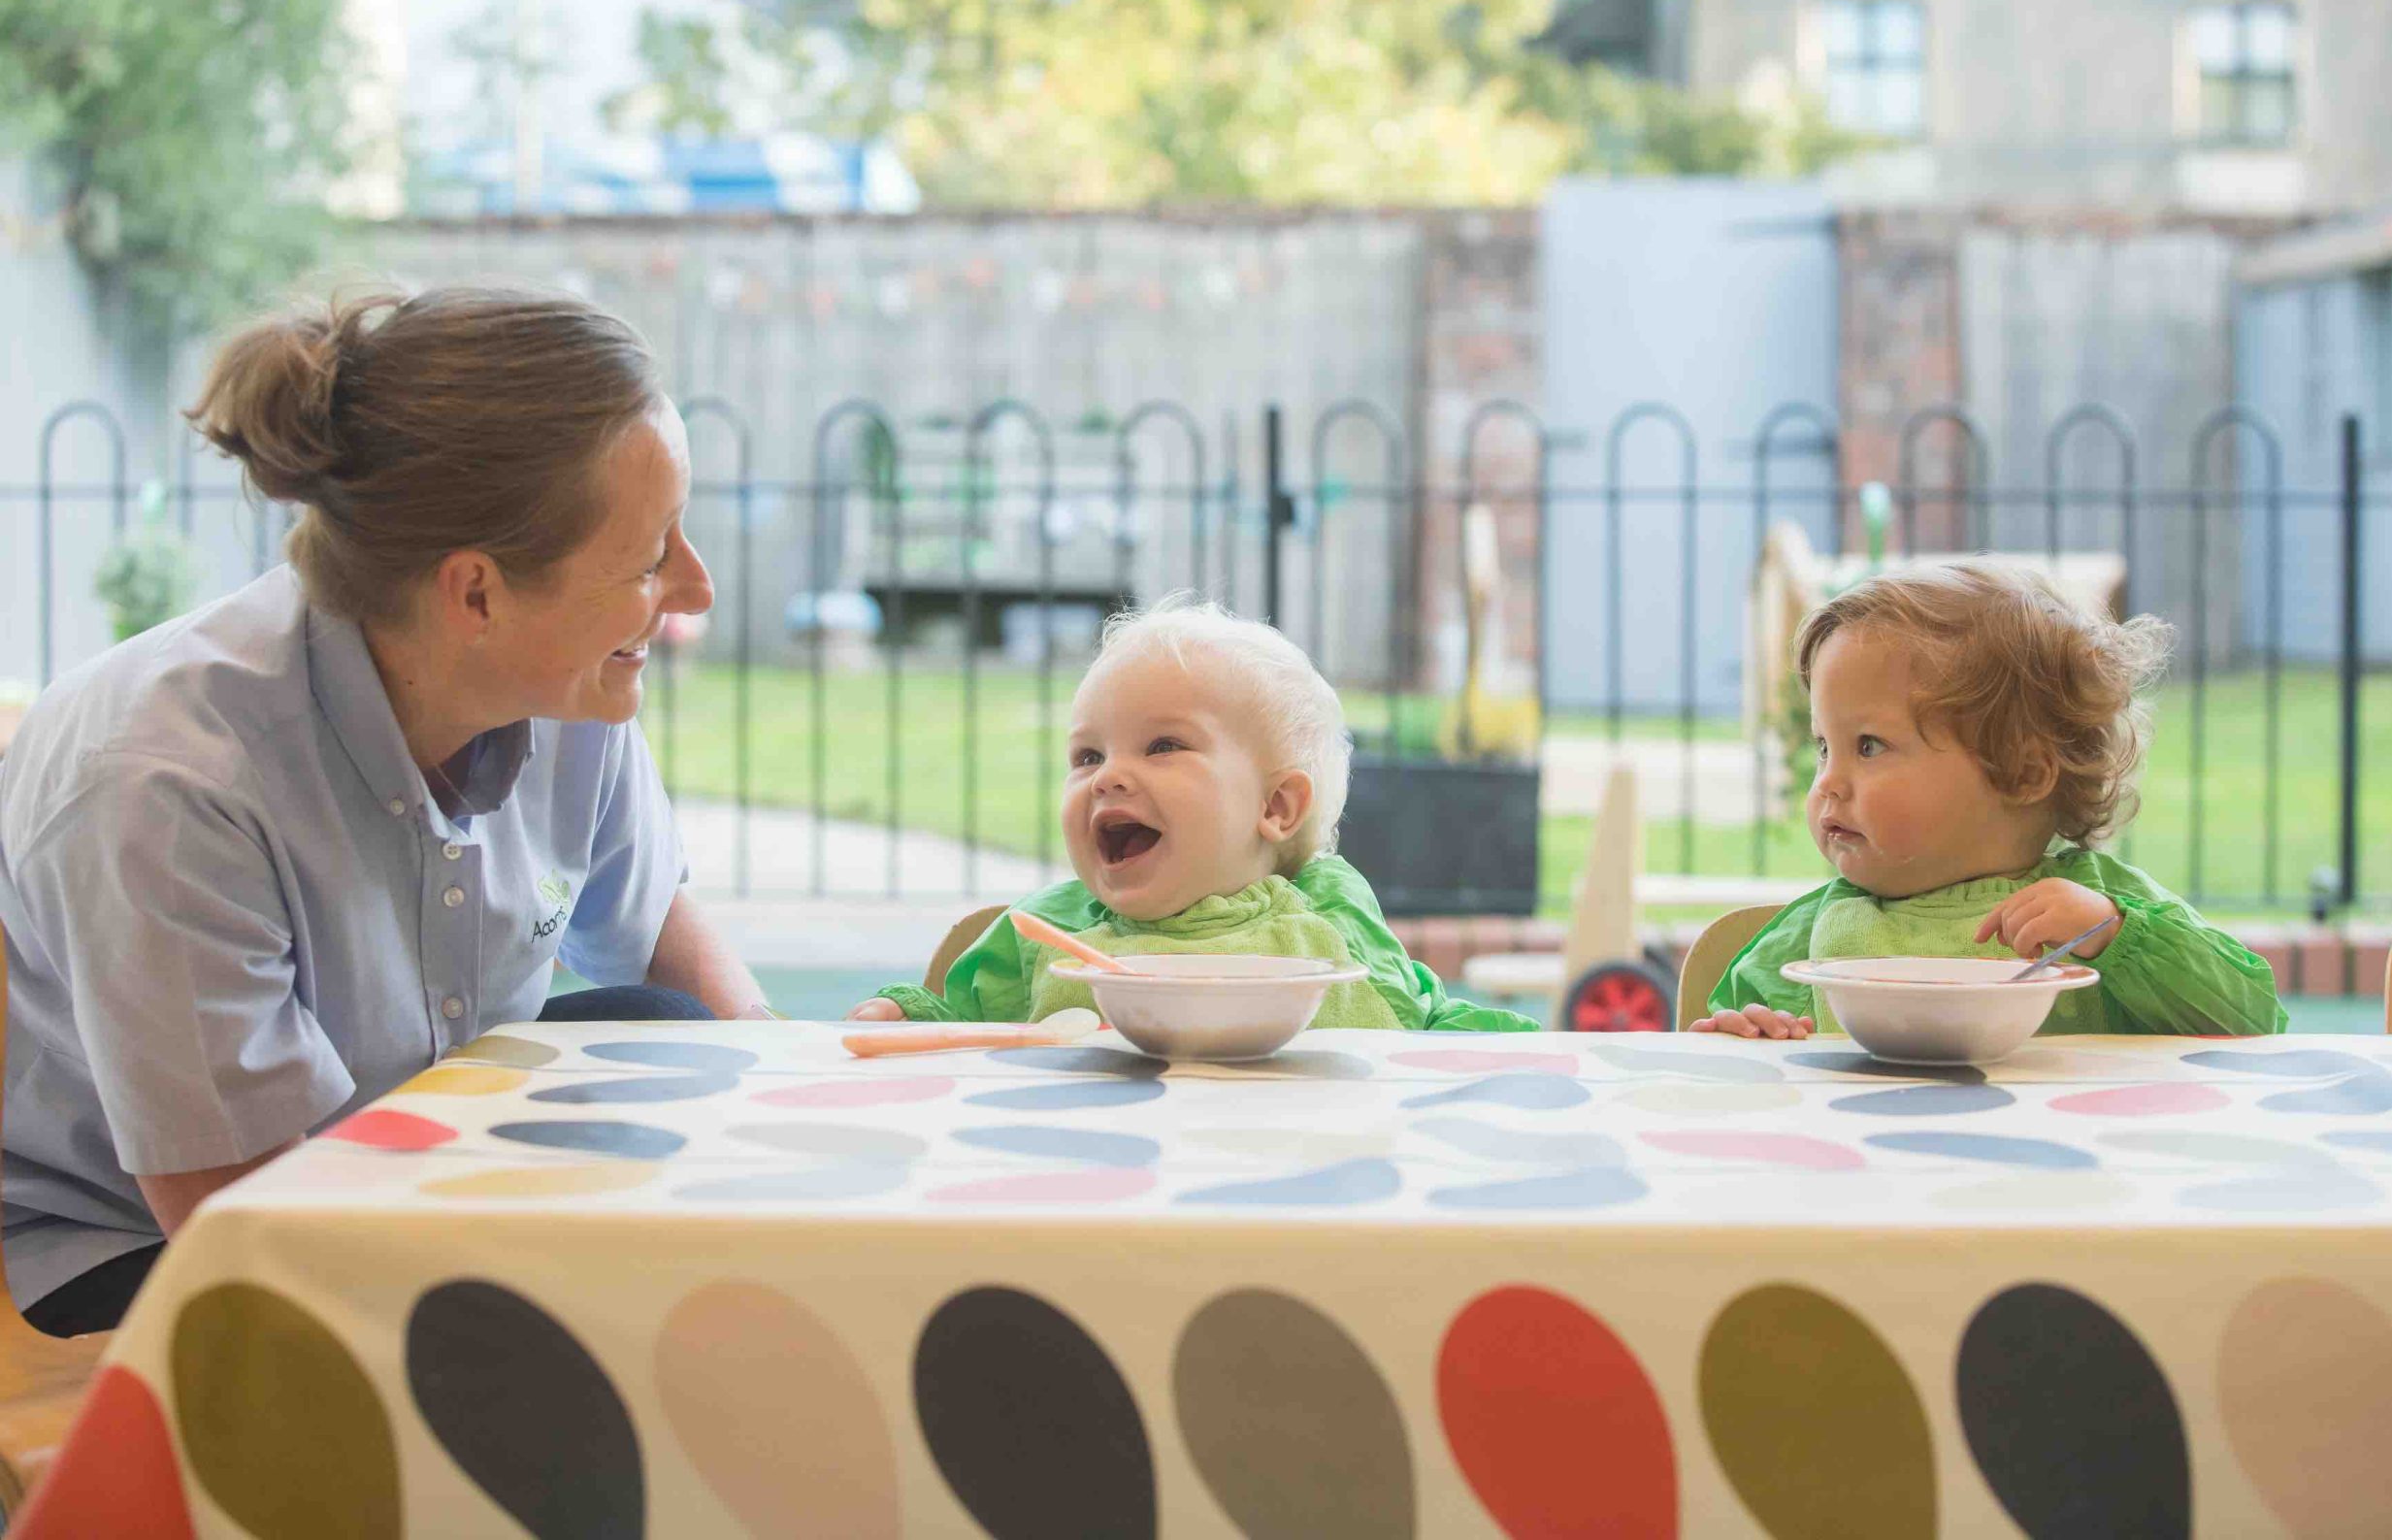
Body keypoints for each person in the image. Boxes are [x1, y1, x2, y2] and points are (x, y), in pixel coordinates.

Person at [1, 286, 771, 1334]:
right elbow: (254, 1225)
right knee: (548, 1335)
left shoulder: (569, 689)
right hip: (156, 1240)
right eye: (649, 557)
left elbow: (664, 954)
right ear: (476, 594)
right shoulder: (167, 785)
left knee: (674, 1043)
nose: (694, 589)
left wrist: (791, 1150)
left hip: (414, 1145)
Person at [850, 599, 1535, 1032]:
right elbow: (955, 1028)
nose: (1109, 774)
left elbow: (1422, 1024)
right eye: (1087, 755)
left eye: (1163, 745)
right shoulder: (1046, 932)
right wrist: (903, 1015)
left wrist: (1509, 1058)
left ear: (1275, 806)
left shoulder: (1327, 913)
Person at [1693, 562, 2283, 1040]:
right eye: (1825, 747)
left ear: (2024, 772)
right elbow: (1724, 1056)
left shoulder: (2101, 909)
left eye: (1868, 746)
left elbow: (2255, 1017)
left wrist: (2117, 935)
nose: (1827, 783)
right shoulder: (1815, 931)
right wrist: (1746, 1034)